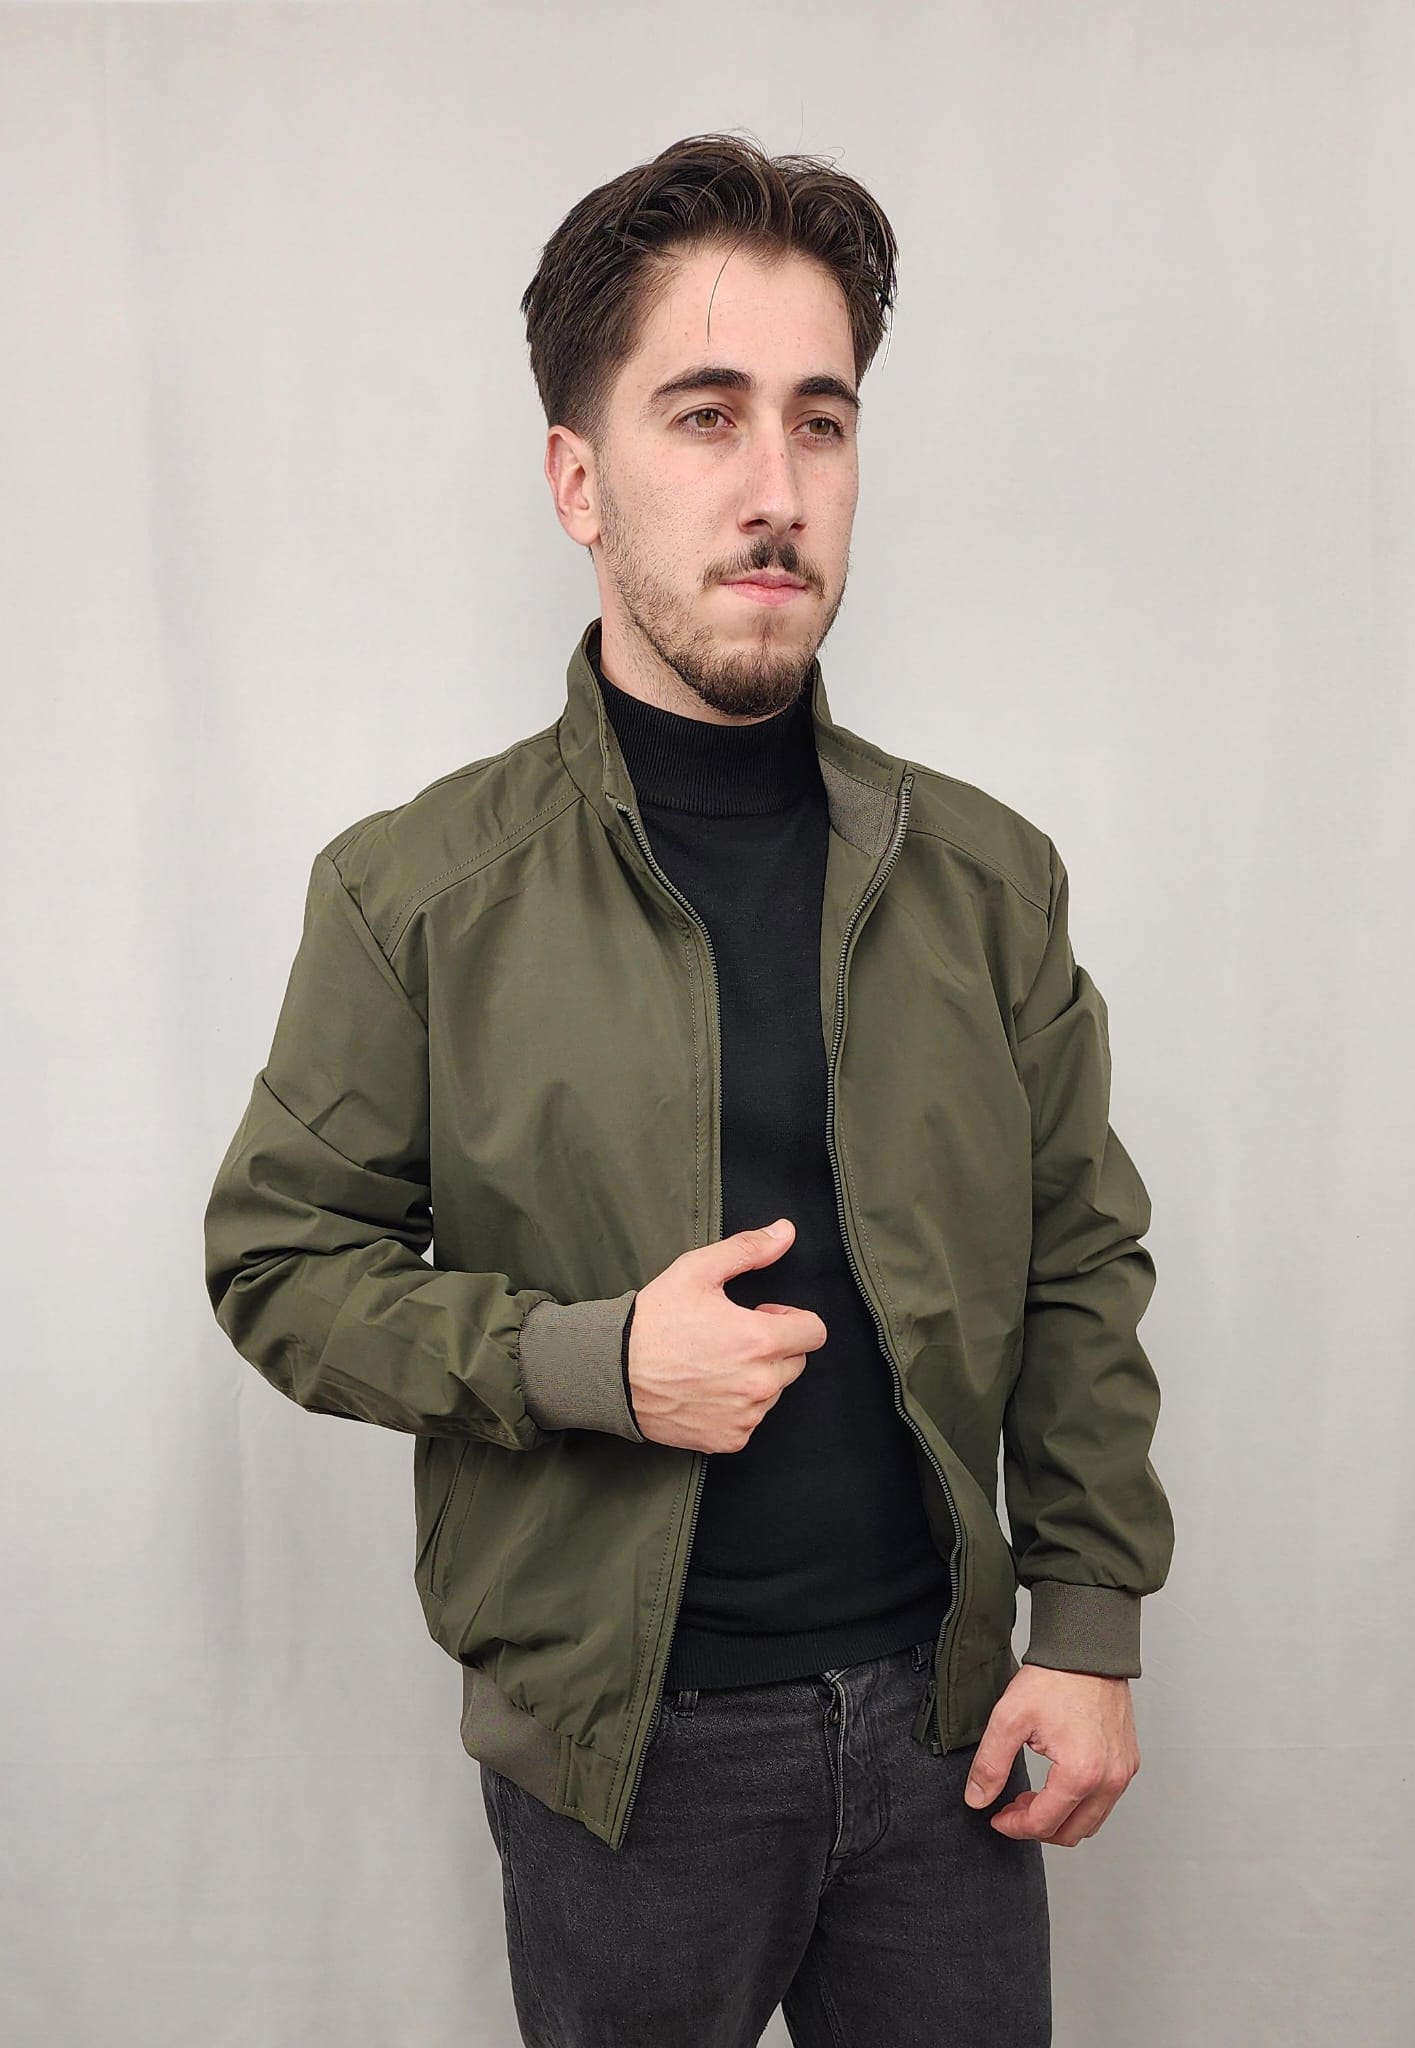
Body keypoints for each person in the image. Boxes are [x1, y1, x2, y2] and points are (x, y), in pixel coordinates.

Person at [204, 130, 1174, 2048]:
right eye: (707, 415)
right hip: (628, 1770)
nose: (774, 488)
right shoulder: (416, 895)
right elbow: (278, 1267)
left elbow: (1078, 1260)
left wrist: (1087, 1628)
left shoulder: (988, 881)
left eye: (822, 423)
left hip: (952, 1732)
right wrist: (594, 1363)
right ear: (579, 479)